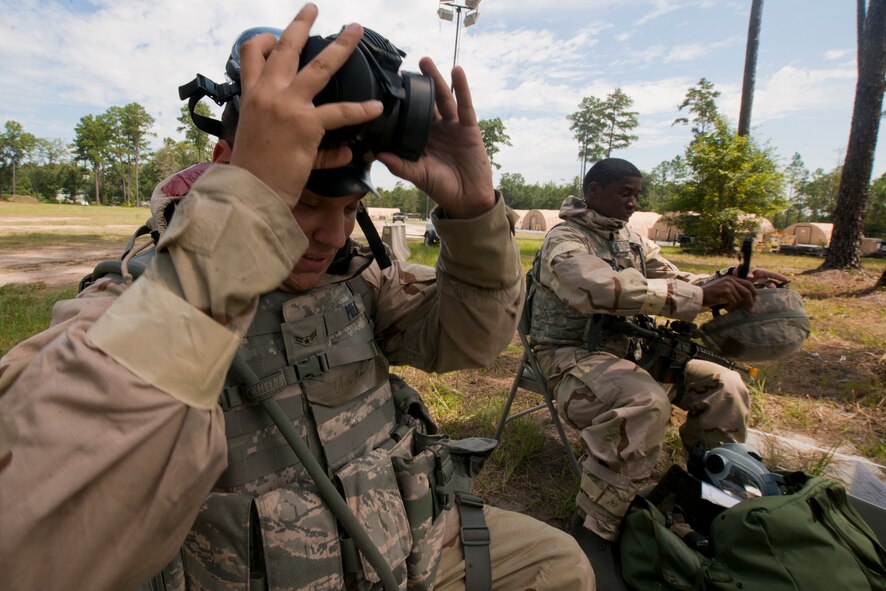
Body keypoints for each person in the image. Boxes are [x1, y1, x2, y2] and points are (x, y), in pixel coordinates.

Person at [0, 6, 592, 590]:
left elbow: (473, 339)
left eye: (349, 209)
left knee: (555, 564)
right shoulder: (132, 305)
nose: (334, 236)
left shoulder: (356, 281)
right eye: (304, 204)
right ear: (229, 171)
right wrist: (228, 241)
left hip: (410, 552)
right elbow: (30, 541)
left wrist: (474, 212)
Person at [528, 158, 788, 558]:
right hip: (569, 358)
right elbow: (598, 288)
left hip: (633, 354)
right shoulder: (565, 240)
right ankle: (595, 533)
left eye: (636, 194)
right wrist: (700, 298)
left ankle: (715, 497)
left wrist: (728, 280)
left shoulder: (630, 239)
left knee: (725, 385)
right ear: (593, 192)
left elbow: (675, 278)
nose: (633, 202)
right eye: (624, 193)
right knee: (646, 404)